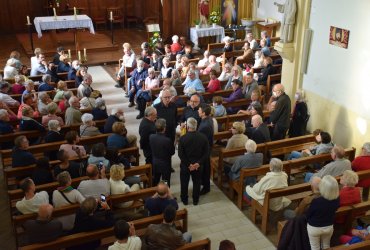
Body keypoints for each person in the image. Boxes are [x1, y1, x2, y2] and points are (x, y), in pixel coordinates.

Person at [178, 117, 209, 205]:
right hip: (198, 166)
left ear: (187, 127)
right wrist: (197, 164)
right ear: (196, 126)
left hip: (185, 165)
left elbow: (181, 154)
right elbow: (206, 153)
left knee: (184, 183)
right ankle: (195, 200)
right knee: (197, 183)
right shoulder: (203, 137)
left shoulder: (183, 138)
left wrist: (189, 165)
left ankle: (184, 200)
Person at [306, 175, 340, 250]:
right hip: (329, 226)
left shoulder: (316, 201)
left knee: (315, 247)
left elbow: (309, 214)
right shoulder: (337, 199)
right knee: (326, 245)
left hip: (314, 227)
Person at [149, 119, 175, 186]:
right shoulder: (167, 140)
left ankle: (154, 191)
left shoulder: (151, 137)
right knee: (165, 181)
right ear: (164, 128)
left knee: (156, 179)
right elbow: (172, 152)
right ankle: (165, 195)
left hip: (155, 163)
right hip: (165, 165)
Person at [197, 104, 214, 195]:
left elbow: (202, 141)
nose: (198, 111)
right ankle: (204, 183)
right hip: (206, 148)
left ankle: (206, 187)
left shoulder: (205, 126)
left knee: (205, 168)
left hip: (205, 150)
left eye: (199, 110)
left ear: (203, 113)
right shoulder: (207, 119)